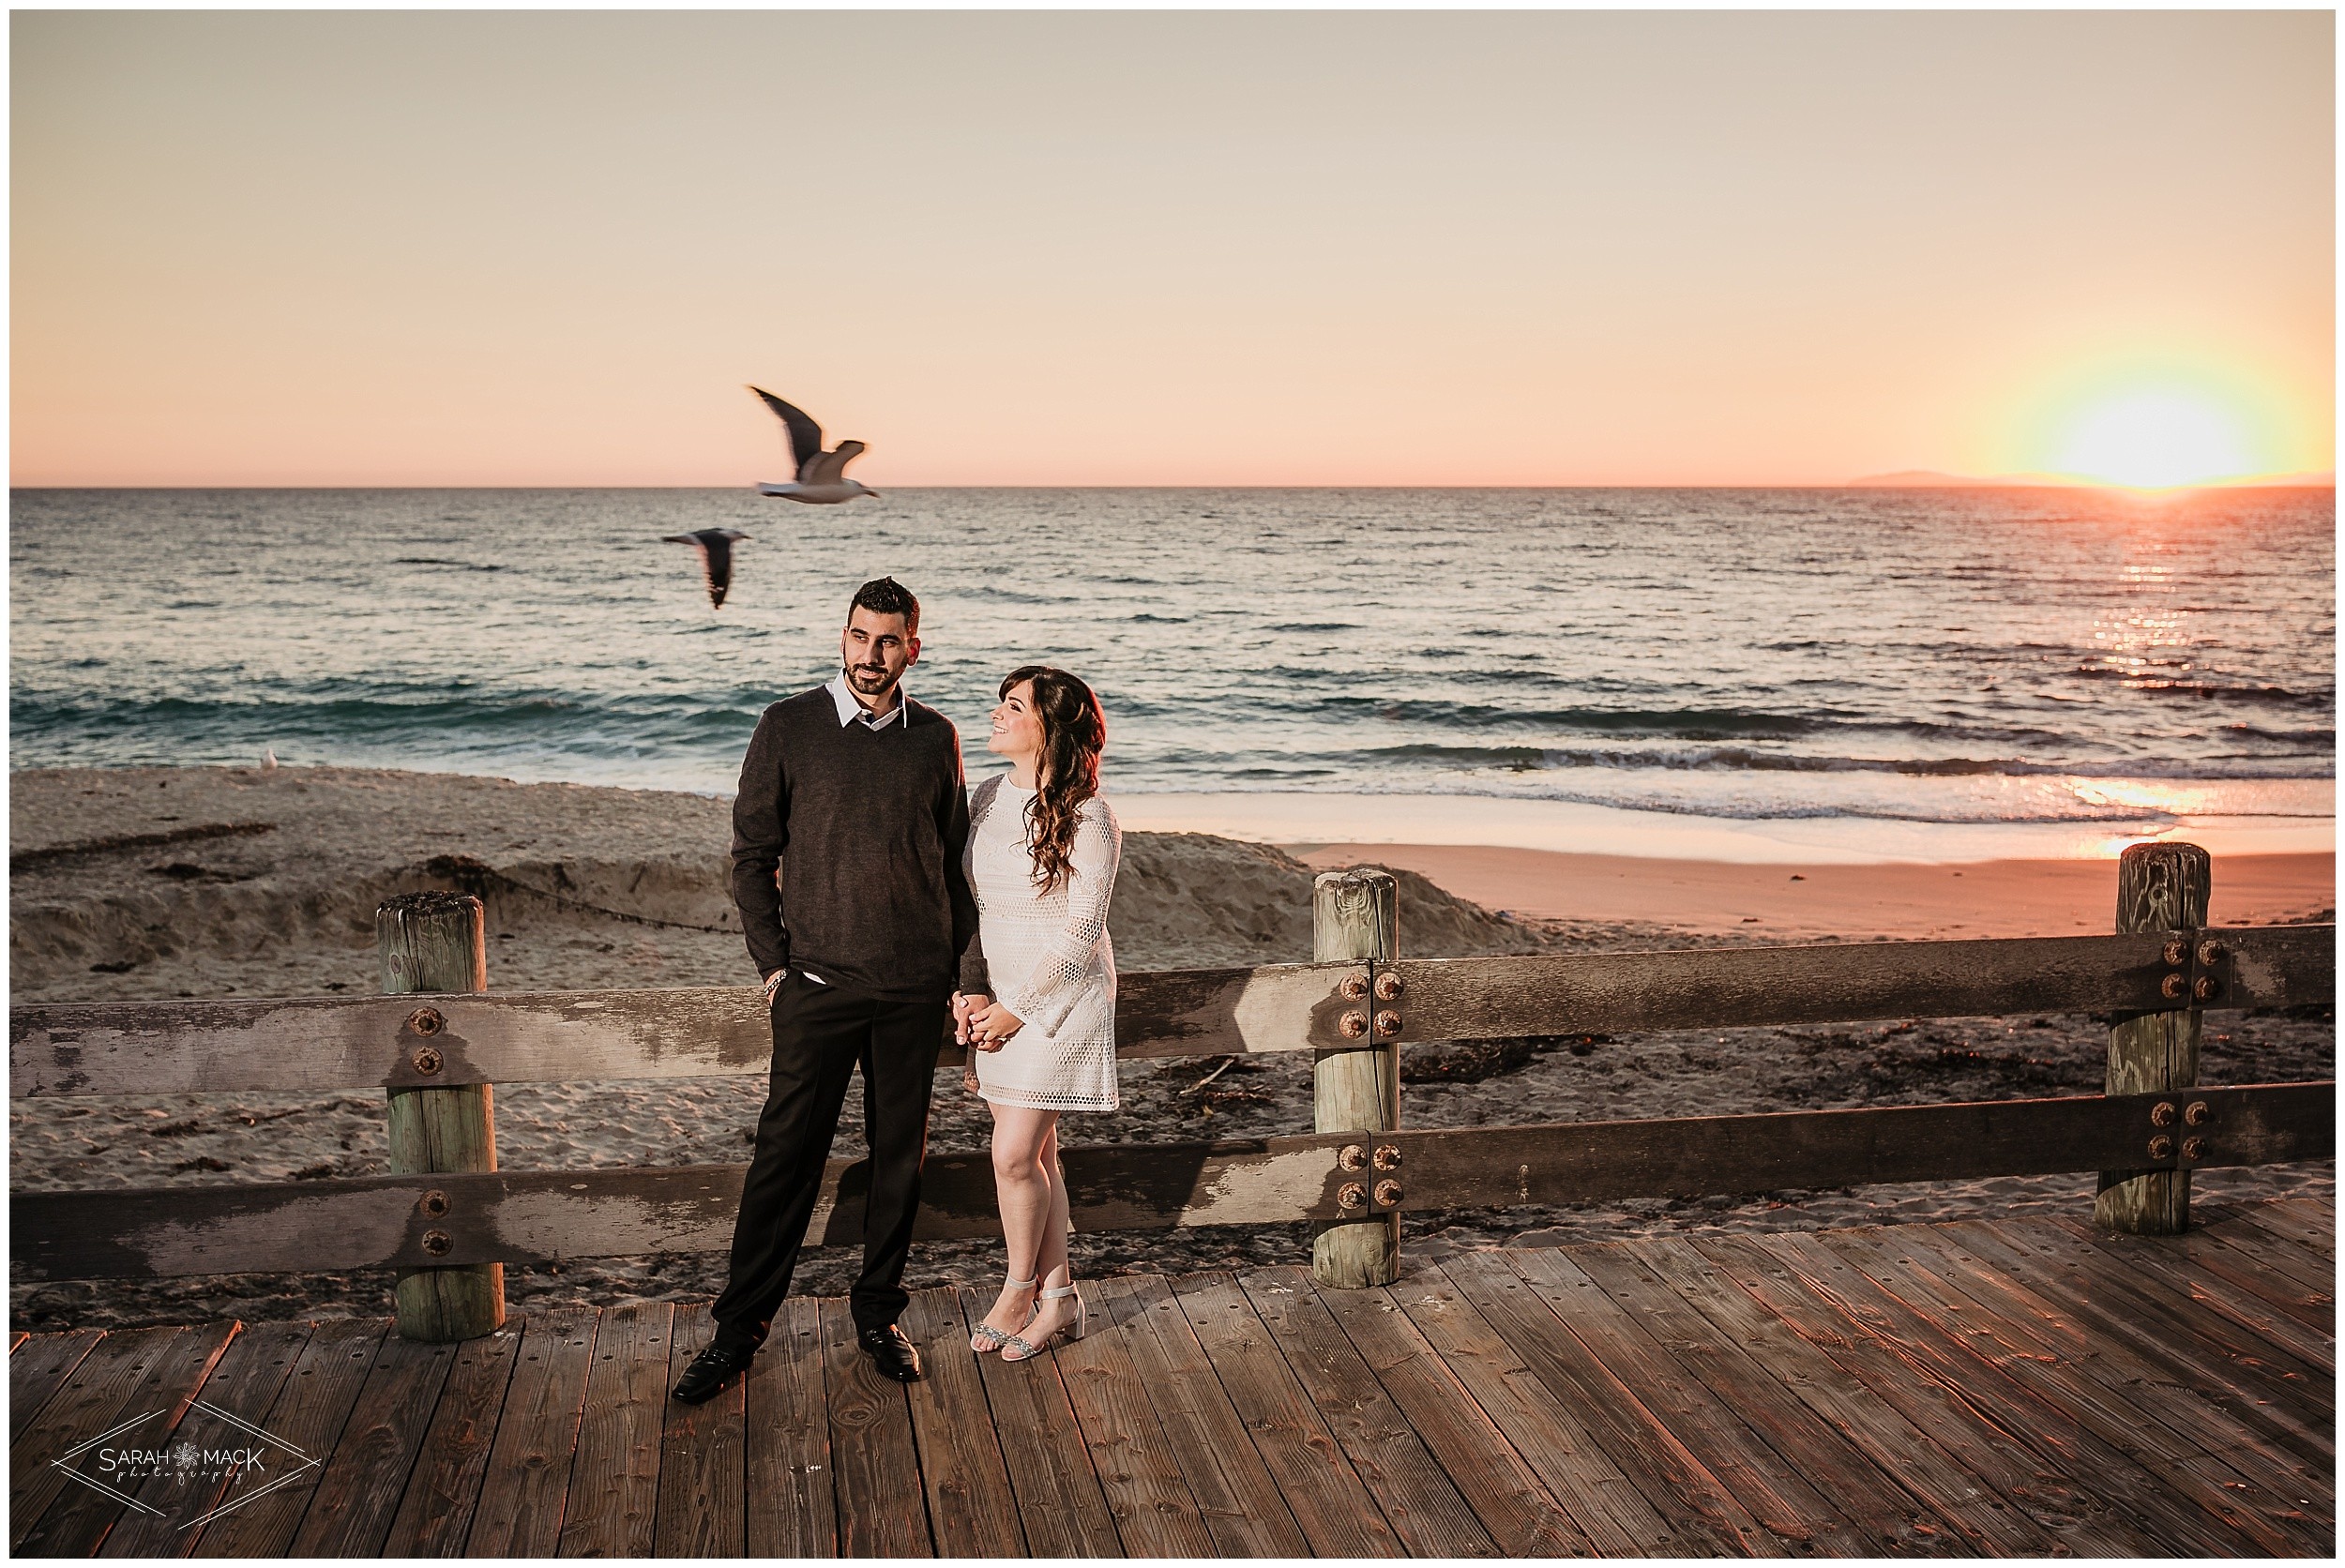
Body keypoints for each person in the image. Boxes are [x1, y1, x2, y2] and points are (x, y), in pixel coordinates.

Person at [672, 577, 977, 1403]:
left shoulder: (936, 738)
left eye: (888, 642)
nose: (870, 656)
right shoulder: (788, 726)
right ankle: (737, 1335)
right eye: (858, 637)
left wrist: (963, 979)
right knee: (784, 1161)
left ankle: (878, 1315)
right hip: (816, 986)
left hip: (915, 990)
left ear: (914, 646)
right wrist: (774, 966)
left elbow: (955, 872)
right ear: (841, 637)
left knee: (897, 1167)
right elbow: (749, 858)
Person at [955, 666, 1120, 1363]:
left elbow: (1082, 932)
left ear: (1048, 726)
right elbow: (969, 903)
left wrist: (1018, 1009)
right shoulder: (987, 796)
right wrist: (970, 992)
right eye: (1000, 702)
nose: (997, 715)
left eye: (1013, 706)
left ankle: (1016, 1288)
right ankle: (1060, 1301)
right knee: (1040, 1157)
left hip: (1060, 1003)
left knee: (1015, 1154)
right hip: (997, 1002)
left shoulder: (1090, 815)